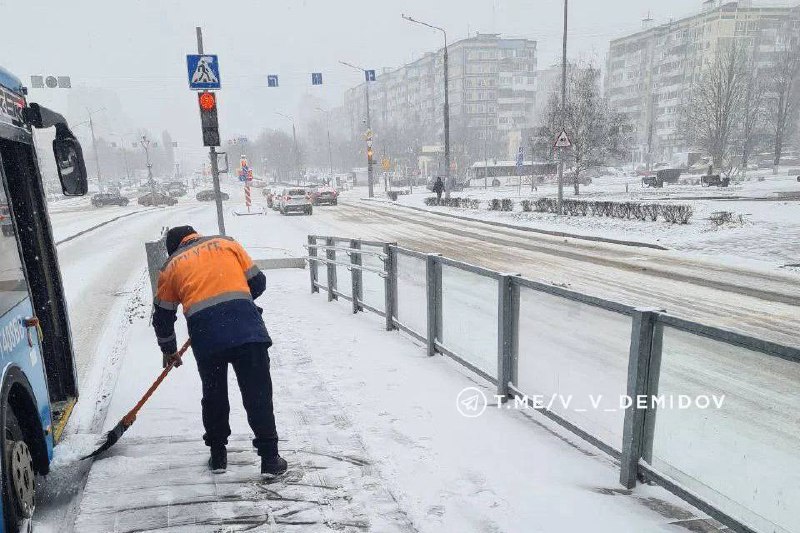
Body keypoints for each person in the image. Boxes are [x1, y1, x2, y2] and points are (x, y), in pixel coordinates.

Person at [152, 225, 287, 477]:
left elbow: (162, 316)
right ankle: (270, 459)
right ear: (195, 235)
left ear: (173, 248)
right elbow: (258, 283)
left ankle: (218, 457)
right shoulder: (227, 244)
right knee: (257, 394)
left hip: (207, 338)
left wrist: (169, 349)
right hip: (248, 331)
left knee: (214, 395)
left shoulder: (171, 266)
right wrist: (236, 301)